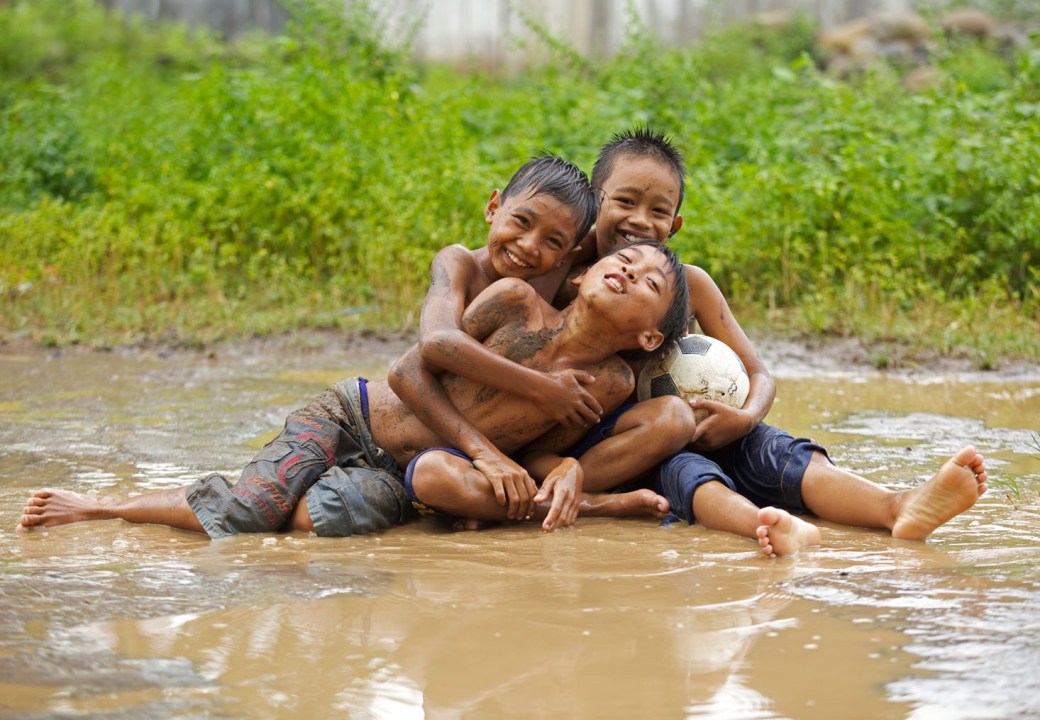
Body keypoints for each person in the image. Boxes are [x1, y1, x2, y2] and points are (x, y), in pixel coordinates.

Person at [16, 243, 690, 537]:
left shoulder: (609, 383)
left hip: (403, 474)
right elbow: (407, 373)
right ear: (582, 275)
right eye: (621, 261)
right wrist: (482, 451)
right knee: (257, 507)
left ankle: (592, 507)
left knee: (321, 520)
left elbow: (536, 449)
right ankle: (103, 506)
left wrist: (567, 467)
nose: (628, 273)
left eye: (649, 283)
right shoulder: (514, 304)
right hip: (353, 415)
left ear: (652, 338)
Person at [541, 127, 989, 557]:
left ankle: (897, 506)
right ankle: (764, 525)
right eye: (625, 202)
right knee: (686, 472)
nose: (640, 220)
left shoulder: (688, 287)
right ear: (596, 202)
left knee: (773, 448)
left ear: (675, 224)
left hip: (699, 423)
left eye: (658, 211)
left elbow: (759, 374)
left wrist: (745, 417)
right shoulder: (563, 274)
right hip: (622, 449)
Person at [388, 153, 608, 523]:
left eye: (551, 241)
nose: (527, 245)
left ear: (565, 258)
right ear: (493, 207)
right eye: (521, 221)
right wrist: (543, 388)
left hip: (473, 447)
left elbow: (610, 246)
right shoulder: (459, 263)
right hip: (422, 419)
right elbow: (435, 343)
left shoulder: (549, 280)